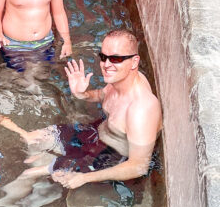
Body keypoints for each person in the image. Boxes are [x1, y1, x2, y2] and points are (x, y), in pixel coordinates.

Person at [52, 28, 162, 190]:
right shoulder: (119, 80)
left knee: (36, 171)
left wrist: (84, 178)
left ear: (134, 62)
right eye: (103, 57)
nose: (107, 64)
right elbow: (101, 95)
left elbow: (139, 166)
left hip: (111, 157)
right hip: (97, 133)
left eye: (116, 58)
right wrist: (82, 94)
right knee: (35, 139)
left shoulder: (141, 109)